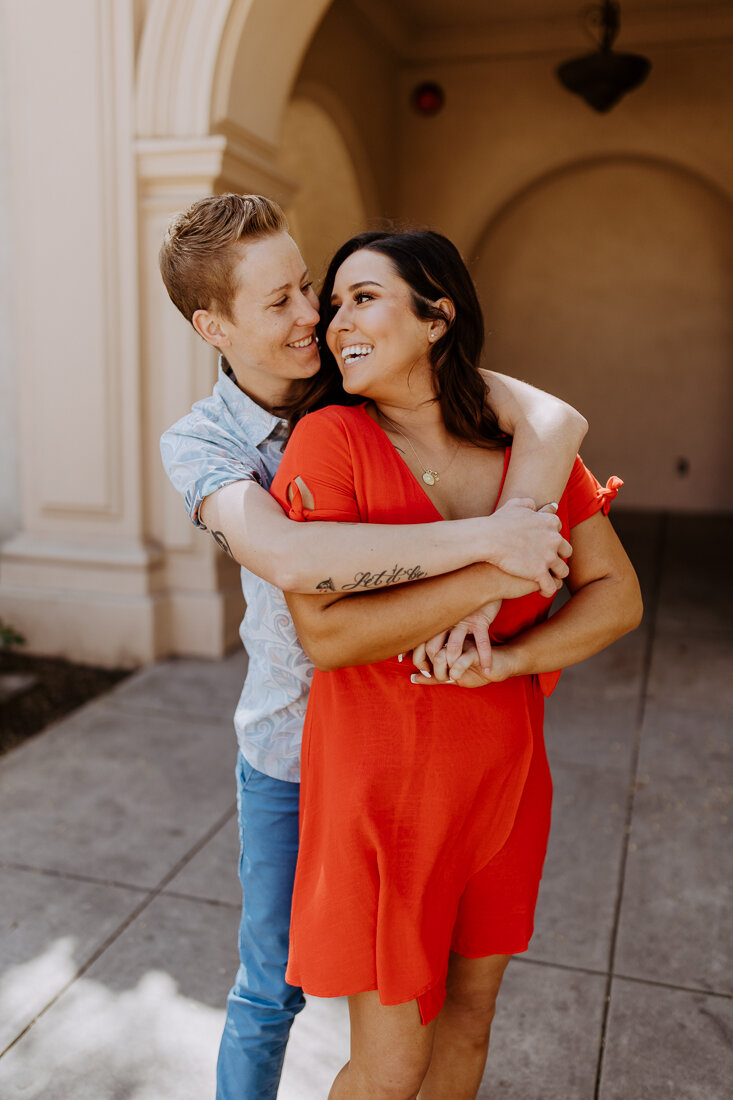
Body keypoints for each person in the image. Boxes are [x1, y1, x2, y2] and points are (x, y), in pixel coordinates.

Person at [159, 194, 589, 1100]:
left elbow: (551, 421)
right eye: (279, 303)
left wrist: (513, 536)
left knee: (428, 1003)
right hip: (291, 753)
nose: (313, 314)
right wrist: (494, 550)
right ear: (213, 325)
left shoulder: (354, 371)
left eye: (308, 287)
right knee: (273, 990)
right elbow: (288, 557)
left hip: (407, 747)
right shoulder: (202, 443)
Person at [269, 228, 643, 1100]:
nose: (334, 321)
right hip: (376, 792)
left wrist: (508, 660)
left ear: (436, 316)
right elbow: (327, 636)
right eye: (333, 304)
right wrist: (493, 569)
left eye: (363, 296)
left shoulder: (528, 459)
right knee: (392, 1062)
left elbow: (615, 596)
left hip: (500, 782)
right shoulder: (329, 440)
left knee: (469, 1025)